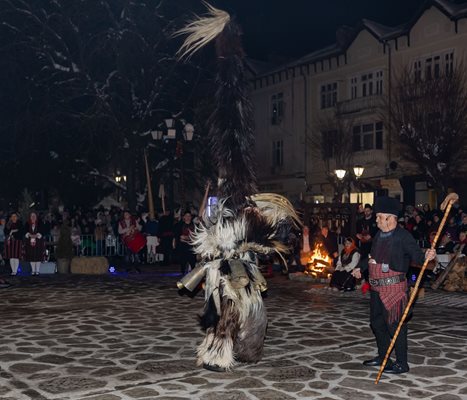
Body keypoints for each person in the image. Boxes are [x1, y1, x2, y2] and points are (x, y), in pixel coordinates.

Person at [352, 196, 436, 374]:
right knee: (376, 324)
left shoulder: (403, 236)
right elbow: (371, 257)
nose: (376, 220)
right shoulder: (378, 236)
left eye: (379, 217)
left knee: (395, 326)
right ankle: (384, 357)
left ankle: (402, 363)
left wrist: (428, 255)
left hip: (394, 290)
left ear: (390, 218)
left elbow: (419, 257)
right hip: (376, 289)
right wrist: (360, 268)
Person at [174, 210, 196, 275]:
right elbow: (179, 236)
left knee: (192, 260)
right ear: (184, 217)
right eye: (186, 216)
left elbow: (195, 235)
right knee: (183, 260)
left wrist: (188, 238)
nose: (188, 217)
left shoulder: (194, 225)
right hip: (183, 245)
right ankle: (183, 272)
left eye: (189, 216)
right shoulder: (180, 225)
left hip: (192, 245)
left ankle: (193, 273)